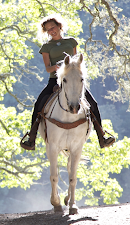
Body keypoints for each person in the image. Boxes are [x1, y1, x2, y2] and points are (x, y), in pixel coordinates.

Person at [20, 14, 115, 150]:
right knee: (39, 104)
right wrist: (59, 67)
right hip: (55, 80)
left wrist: (72, 70)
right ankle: (32, 138)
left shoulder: (71, 42)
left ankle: (102, 136)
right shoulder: (46, 47)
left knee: (93, 103)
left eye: (53, 27)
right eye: (48, 30)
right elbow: (48, 68)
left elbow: (76, 62)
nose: (51, 31)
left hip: (73, 80)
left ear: (59, 26)